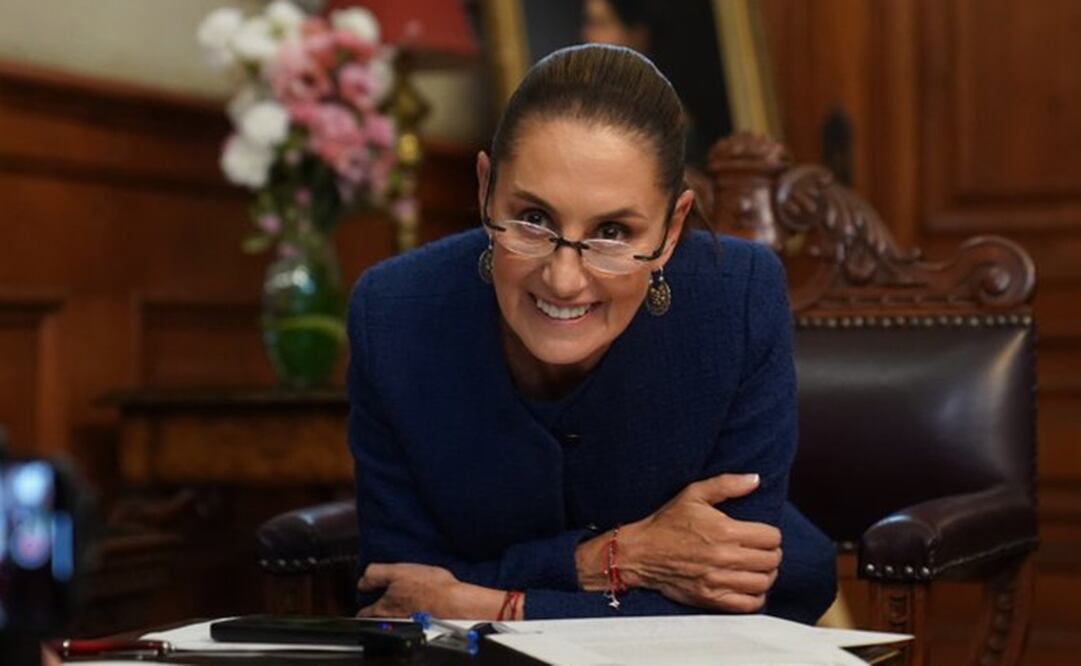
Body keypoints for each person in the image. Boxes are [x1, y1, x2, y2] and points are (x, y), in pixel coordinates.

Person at [349, 44, 834, 623]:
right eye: (532, 219)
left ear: (673, 229)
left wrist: (499, 603)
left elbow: (729, 599)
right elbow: (401, 597)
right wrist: (616, 559)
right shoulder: (392, 314)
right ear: (485, 191)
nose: (563, 277)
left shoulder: (738, 298)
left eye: (611, 231)